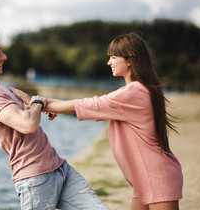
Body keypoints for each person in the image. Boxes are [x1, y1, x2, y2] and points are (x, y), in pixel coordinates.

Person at [12, 32, 183, 210]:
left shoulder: (132, 93)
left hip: (156, 177)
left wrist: (39, 103)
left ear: (130, 60)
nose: (109, 62)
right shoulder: (136, 92)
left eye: (113, 57)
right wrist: (41, 103)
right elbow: (85, 106)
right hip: (144, 178)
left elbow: (86, 105)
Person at [0, 26, 110, 210]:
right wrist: (38, 104)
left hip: (59, 169)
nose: (4, 57)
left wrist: (34, 104)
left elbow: (27, 114)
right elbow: (28, 124)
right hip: (36, 179)